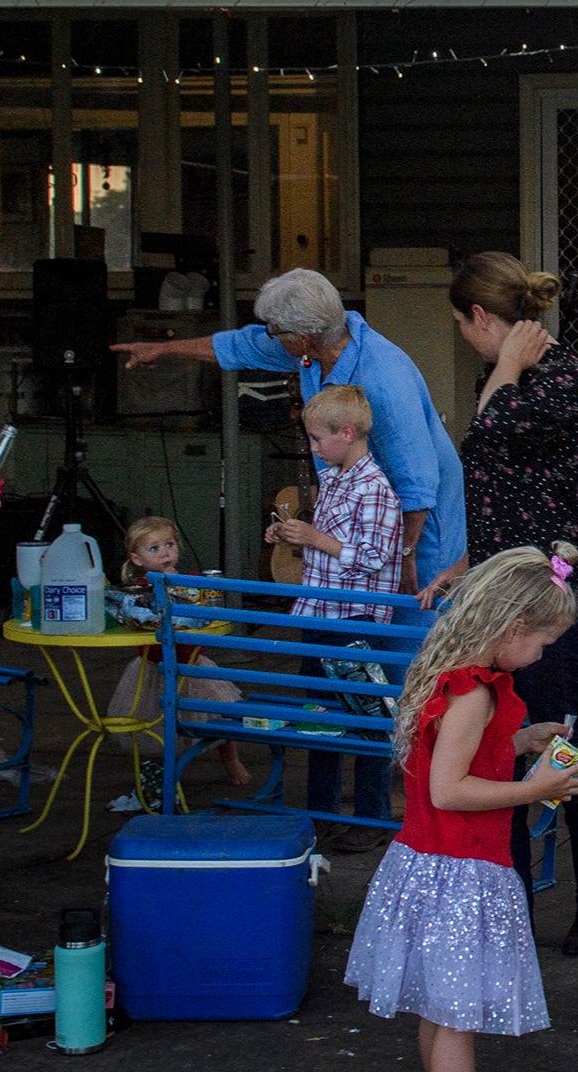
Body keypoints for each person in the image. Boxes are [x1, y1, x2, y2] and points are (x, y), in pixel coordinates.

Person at [344, 545, 578, 1072]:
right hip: (460, 869)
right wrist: (536, 789)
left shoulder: (462, 677)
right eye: (542, 642)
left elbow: (460, 758)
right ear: (510, 630)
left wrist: (520, 742)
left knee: (440, 1008)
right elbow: (450, 790)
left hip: (434, 863)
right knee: (454, 1017)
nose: (542, 655)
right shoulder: (474, 695)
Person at [421, 252, 578, 957]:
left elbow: (486, 438)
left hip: (552, 604)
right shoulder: (506, 379)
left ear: (483, 317)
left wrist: (504, 370)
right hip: (501, 595)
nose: (465, 338)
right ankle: (503, 893)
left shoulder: (559, 378)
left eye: (462, 324)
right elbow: (502, 486)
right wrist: (466, 564)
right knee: (500, 748)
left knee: (565, 741)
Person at [114, 268, 463, 601]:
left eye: (275, 330)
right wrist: (161, 348)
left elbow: (416, 480)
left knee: (415, 626)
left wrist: (403, 556)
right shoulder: (314, 350)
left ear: (304, 336)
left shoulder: (382, 378)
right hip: (359, 514)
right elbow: (241, 346)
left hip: (419, 522)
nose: (271, 336)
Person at [268, 385, 404, 841]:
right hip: (320, 615)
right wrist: (290, 535)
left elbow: (374, 556)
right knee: (318, 718)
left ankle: (371, 817)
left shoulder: (375, 489)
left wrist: (315, 539)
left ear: (346, 433)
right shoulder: (335, 480)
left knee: (367, 720)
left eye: (316, 439)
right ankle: (322, 813)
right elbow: (329, 546)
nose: (312, 448)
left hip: (357, 622)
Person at [108, 516, 249, 790]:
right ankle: (161, 772)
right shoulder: (138, 591)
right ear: (136, 559)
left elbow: (208, 608)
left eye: (169, 545)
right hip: (152, 666)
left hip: (191, 663)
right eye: (154, 548)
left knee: (221, 713)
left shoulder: (190, 583)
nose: (165, 553)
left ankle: (231, 758)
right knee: (153, 721)